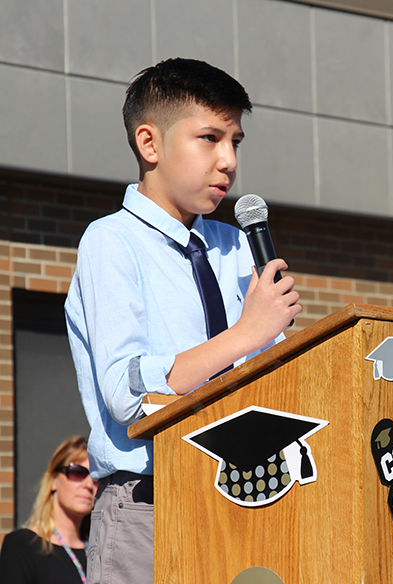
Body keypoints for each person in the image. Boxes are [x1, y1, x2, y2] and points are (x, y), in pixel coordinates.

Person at [64, 58, 301, 583]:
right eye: (210, 138)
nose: (228, 161)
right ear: (150, 144)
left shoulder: (235, 245)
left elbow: (274, 372)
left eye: (235, 141)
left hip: (244, 497)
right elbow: (127, 394)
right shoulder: (111, 242)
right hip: (149, 507)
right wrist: (244, 334)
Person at [0, 435, 98, 584]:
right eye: (77, 472)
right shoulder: (21, 545)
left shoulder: (99, 551)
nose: (89, 485)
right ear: (53, 480)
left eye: (96, 478)